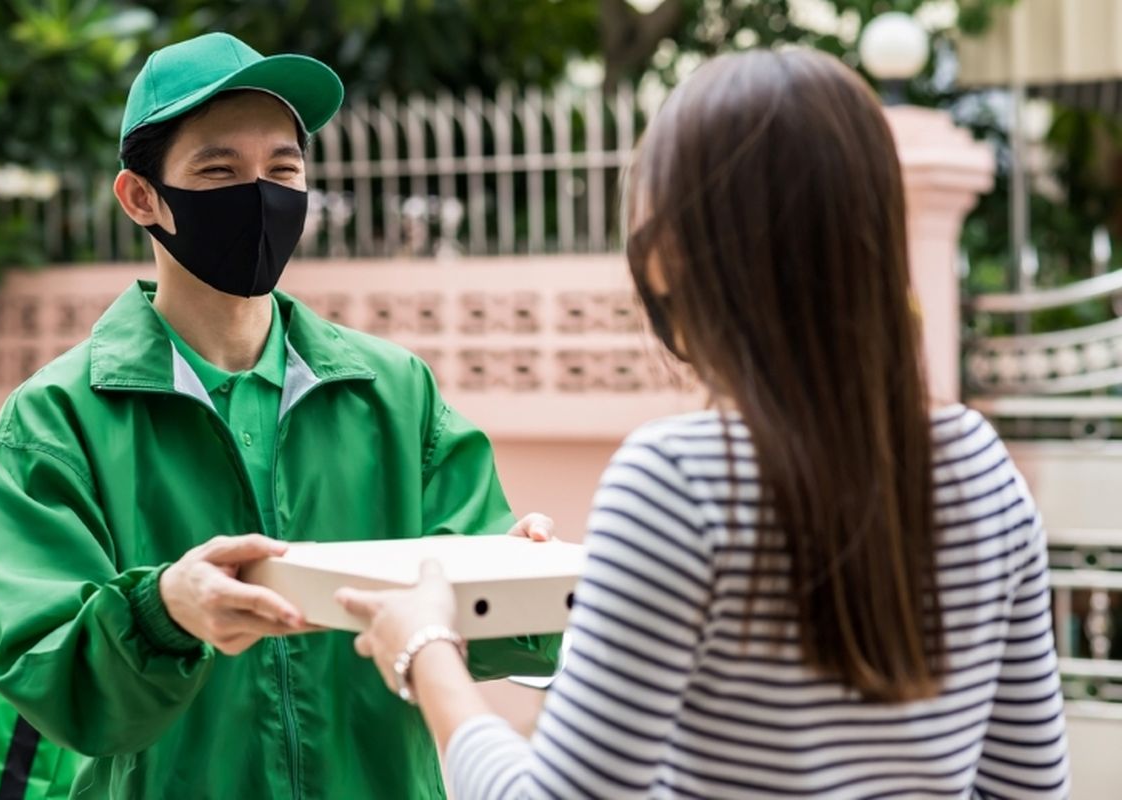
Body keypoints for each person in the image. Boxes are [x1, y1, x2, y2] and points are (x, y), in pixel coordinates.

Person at [337, 49, 1072, 799]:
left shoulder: (678, 478)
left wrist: (425, 649)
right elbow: (1030, 786)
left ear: (665, 256)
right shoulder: (979, 463)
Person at [0, 32, 559, 799]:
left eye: (283, 169)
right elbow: (57, 687)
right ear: (141, 197)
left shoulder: (394, 390)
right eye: (218, 170)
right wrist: (162, 612)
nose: (262, 194)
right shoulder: (54, 421)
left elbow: (474, 627)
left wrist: (522, 579)